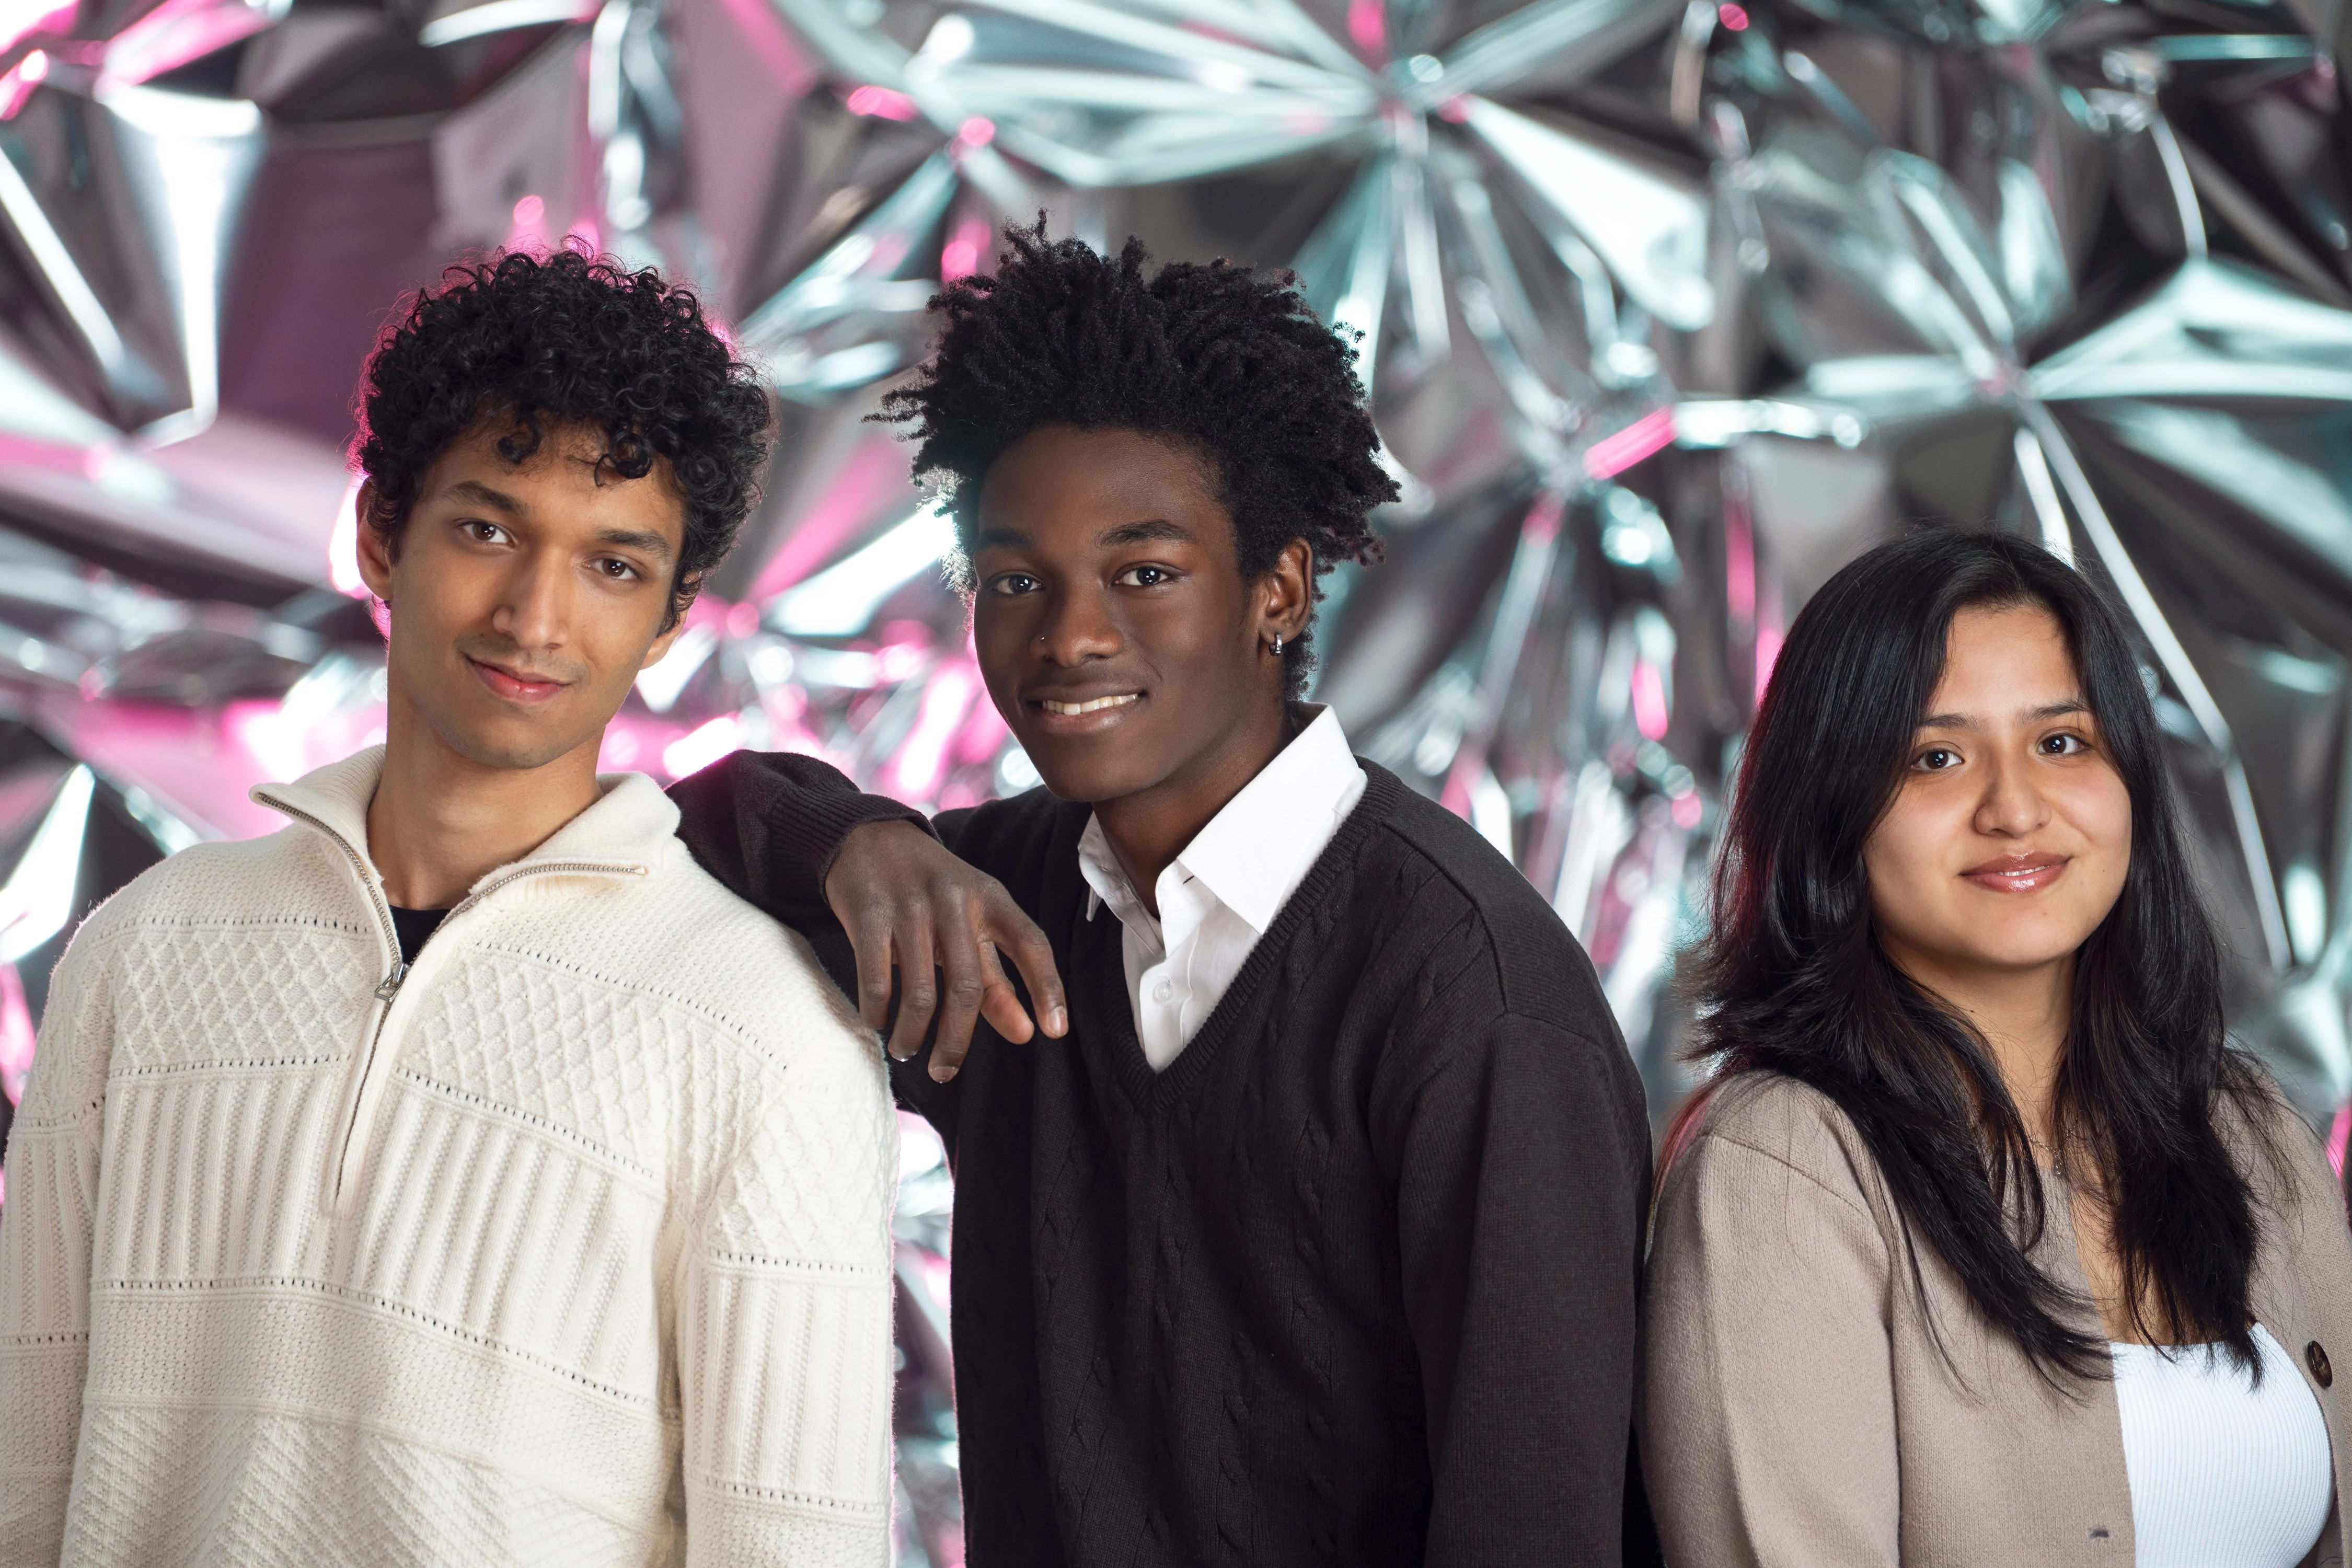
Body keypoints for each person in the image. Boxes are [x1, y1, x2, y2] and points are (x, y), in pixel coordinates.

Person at [672, 225, 1655, 1566]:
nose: (1070, 635)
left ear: (1280, 587)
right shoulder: (999, 903)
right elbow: (666, 842)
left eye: (1145, 572)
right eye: (1018, 580)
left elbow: (1535, 1531)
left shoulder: (1468, 995)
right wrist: (851, 842)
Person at [0, 248, 899, 1565]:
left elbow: (796, 1544)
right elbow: (25, 1477)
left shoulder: (770, 1039)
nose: (536, 616)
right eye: (489, 530)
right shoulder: (145, 951)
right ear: (380, 536)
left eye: (612, 566)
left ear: (670, 622)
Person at [1642, 529, 2352, 1565]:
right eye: (1936, 757)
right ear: (1835, 809)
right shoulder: (1784, 1168)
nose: (2016, 809)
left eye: (2062, 742)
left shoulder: (2252, 1134)